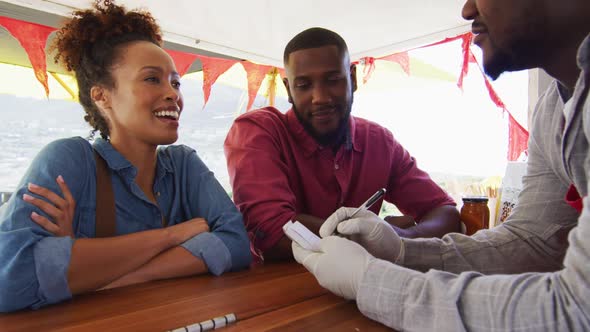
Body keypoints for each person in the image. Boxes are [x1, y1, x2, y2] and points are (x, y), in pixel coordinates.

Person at [293, 0, 590, 330]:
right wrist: (403, 252)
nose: (467, 10)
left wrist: (373, 281)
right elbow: (533, 242)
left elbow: (576, 311)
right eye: (303, 85)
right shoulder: (554, 108)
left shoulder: (379, 140)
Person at [0, 0, 251, 313]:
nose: (173, 93)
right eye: (151, 79)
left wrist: (98, 272)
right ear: (102, 95)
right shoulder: (69, 160)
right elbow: (10, 280)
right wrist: (171, 236)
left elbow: (238, 244)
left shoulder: (183, 165)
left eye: (175, 82)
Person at [224, 27, 460, 260]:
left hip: (368, 291)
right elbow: (272, 231)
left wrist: (403, 237)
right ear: (288, 89)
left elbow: (445, 212)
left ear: (353, 78)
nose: (321, 98)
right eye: (304, 85)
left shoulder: (379, 142)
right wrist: (378, 238)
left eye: (333, 80)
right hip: (279, 294)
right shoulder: (258, 132)